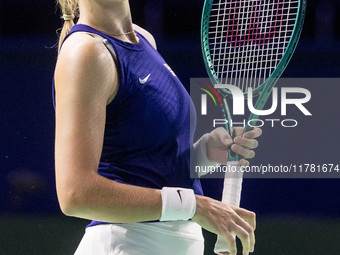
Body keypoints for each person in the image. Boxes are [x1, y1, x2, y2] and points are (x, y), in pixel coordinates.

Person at [53, 0, 262, 255]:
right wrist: (194, 206)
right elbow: (76, 194)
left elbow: (150, 168)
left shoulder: (143, 39)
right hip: (126, 245)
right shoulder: (86, 52)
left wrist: (206, 153)